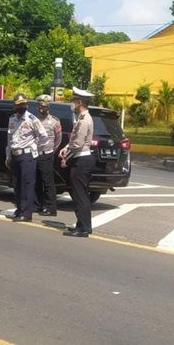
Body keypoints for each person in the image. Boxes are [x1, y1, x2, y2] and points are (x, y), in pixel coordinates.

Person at [59, 87, 95, 238]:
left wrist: (66, 156)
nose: (72, 103)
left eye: (74, 101)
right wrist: (65, 147)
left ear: (79, 102)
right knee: (80, 194)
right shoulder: (81, 118)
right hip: (81, 158)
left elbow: (78, 144)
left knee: (79, 194)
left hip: (81, 159)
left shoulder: (84, 120)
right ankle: (82, 225)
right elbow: (74, 141)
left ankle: (84, 228)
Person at [5, 93, 47, 222]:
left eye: (23, 104)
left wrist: (35, 149)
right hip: (15, 154)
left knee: (27, 185)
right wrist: (8, 156)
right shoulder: (12, 119)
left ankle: (27, 213)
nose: (21, 107)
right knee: (17, 184)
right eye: (18, 105)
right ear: (14, 106)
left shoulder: (32, 119)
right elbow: (9, 139)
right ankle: (19, 210)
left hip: (27, 155)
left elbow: (43, 136)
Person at [34, 94, 62, 216]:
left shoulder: (54, 122)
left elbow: (58, 139)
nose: (42, 109)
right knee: (36, 181)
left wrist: (51, 150)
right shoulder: (33, 120)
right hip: (35, 154)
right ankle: (38, 205)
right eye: (40, 106)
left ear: (49, 107)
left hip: (47, 154)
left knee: (48, 182)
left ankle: (51, 208)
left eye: (44, 106)